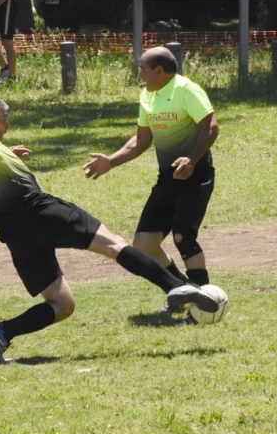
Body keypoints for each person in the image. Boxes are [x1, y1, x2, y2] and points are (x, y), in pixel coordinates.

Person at [0, 96, 219, 364]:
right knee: (114, 244)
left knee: (62, 305)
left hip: (15, 232)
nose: (9, 120)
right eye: (4, 116)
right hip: (39, 211)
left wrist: (7, 154)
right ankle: (175, 286)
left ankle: (2, 331)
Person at [83, 47, 219, 288]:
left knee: (183, 236)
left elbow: (210, 127)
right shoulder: (147, 95)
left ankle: (204, 296)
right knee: (144, 245)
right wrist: (111, 162)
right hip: (169, 176)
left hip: (196, 174)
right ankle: (181, 289)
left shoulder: (185, 89)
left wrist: (191, 159)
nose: (140, 75)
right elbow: (141, 140)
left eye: (142, 70)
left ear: (159, 71)